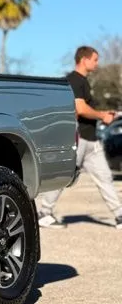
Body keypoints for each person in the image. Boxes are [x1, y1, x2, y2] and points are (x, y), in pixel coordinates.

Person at [35, 45, 121, 229]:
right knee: (64, 176)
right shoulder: (73, 80)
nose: (97, 63)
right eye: (95, 59)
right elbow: (80, 109)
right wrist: (102, 116)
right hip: (78, 139)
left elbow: (86, 108)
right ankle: (44, 213)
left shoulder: (84, 81)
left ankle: (120, 216)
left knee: (105, 177)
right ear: (84, 59)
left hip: (91, 141)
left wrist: (103, 113)